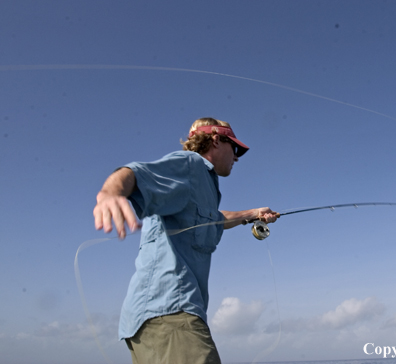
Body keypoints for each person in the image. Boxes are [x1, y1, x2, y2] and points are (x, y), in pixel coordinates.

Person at [93, 117, 279, 364]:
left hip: (155, 322)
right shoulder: (191, 165)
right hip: (170, 314)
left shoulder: (202, 185)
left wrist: (252, 214)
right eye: (234, 148)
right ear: (215, 140)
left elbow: (213, 219)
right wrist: (110, 193)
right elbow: (134, 172)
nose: (236, 157)